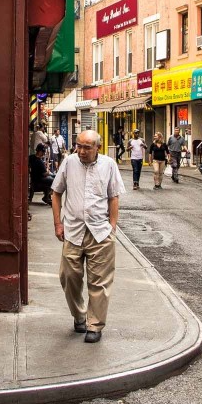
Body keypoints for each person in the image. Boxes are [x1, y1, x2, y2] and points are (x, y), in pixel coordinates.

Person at [51, 130, 126, 343]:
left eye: (87, 147)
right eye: (79, 146)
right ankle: (79, 315)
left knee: (100, 281)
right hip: (73, 231)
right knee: (68, 276)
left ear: (97, 148)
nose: (81, 151)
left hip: (100, 232)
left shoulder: (109, 165)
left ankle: (95, 325)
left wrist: (112, 226)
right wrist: (58, 223)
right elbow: (56, 193)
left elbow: (114, 197)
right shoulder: (69, 162)